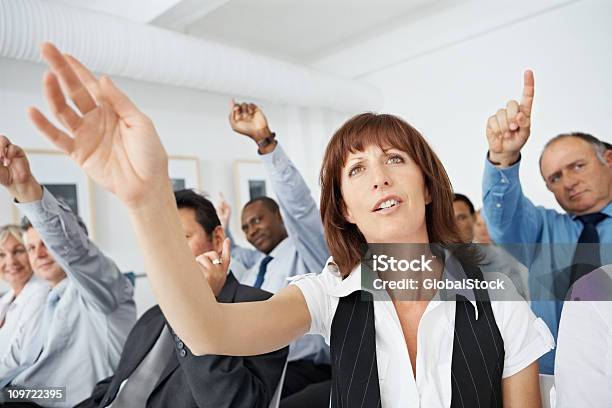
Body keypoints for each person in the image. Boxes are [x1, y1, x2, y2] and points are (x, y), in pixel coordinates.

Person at [21, 43, 554, 407]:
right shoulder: (330, 293)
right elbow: (208, 330)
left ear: (427, 183)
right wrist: (145, 198)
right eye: (357, 169)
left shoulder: (497, 285)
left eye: (395, 159)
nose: (379, 179)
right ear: (344, 207)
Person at [75, 189, 288, 408]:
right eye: (162, 243)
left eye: (181, 238)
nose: (169, 252)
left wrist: (201, 307)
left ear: (216, 239)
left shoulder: (260, 307)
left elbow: (237, 403)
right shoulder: (153, 315)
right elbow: (118, 384)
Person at [482, 70, 612, 374]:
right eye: (555, 178)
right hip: (557, 382)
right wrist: (503, 157)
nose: (568, 182)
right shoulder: (542, 229)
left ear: (608, 159)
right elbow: (503, 216)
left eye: (577, 166)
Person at [0, 136, 136, 406]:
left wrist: (26, 188)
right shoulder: (43, 302)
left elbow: (75, 250)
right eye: (30, 248)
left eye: (45, 245)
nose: (37, 254)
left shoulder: (102, 290)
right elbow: (37, 383)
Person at [220, 102, 331, 405]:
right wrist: (224, 228)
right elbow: (234, 252)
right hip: (260, 369)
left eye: (257, 220)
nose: (252, 230)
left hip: (305, 371)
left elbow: (300, 207)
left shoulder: (308, 251)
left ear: (280, 218)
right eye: (246, 227)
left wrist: (264, 141)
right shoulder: (259, 264)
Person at [453, 193, 529, 298]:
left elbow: (517, 297)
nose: (455, 225)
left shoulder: (500, 257)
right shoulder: (435, 260)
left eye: (461, 218)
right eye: (448, 219)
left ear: (473, 218)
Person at [0, 225, 49, 361]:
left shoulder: (42, 293)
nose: (10, 261)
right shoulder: (5, 299)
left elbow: (24, 360)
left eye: (18, 251)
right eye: (1, 255)